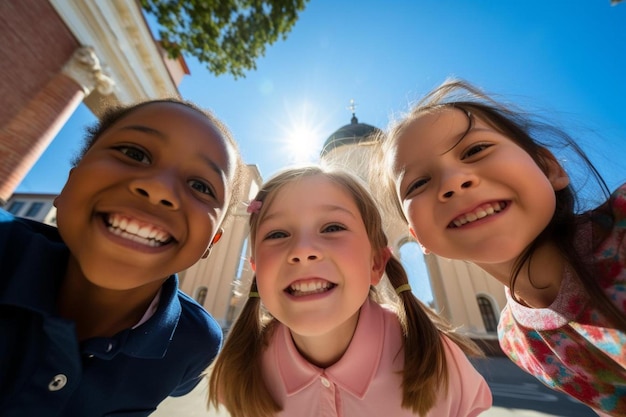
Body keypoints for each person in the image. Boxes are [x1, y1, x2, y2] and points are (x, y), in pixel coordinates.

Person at [379, 78, 626, 417]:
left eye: (475, 150)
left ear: (549, 168)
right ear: (417, 237)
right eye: (419, 182)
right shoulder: (517, 339)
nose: (453, 181)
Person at [0, 98, 244, 416]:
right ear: (68, 184)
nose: (159, 189)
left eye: (200, 186)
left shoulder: (194, 343)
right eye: (133, 153)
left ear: (212, 241)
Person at [208, 165, 492, 417]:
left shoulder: (436, 358)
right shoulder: (242, 368)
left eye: (332, 227)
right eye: (277, 234)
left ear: (376, 263)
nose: (303, 251)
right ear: (256, 266)